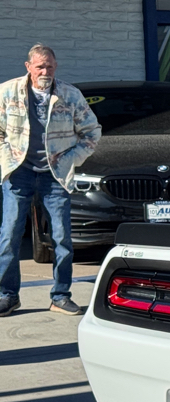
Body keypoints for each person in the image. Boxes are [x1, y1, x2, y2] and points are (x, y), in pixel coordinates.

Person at [0, 44, 101, 315]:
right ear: (28, 67)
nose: (45, 72)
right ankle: (8, 295)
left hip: (55, 175)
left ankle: (60, 295)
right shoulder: (8, 92)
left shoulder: (69, 95)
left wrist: (68, 159)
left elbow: (92, 132)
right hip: (18, 174)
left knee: (62, 238)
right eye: (40, 66)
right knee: (8, 236)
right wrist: (7, 160)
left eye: (50, 67)